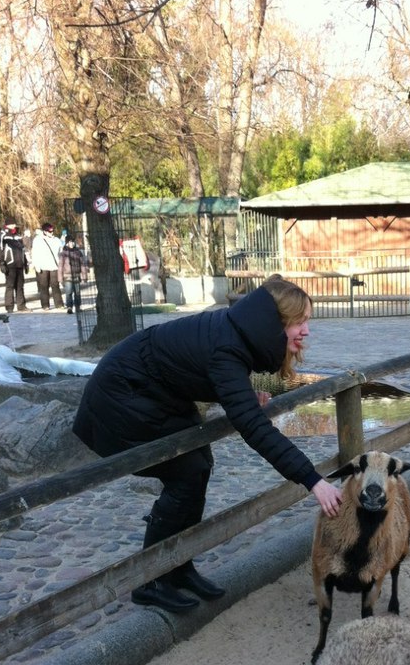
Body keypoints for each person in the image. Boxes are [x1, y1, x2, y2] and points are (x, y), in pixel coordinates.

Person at [73, 274, 343, 613]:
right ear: (277, 323)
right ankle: (150, 580)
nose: (306, 331)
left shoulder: (237, 333)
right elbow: (256, 430)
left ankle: (178, 566)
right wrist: (313, 480)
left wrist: (242, 395)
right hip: (121, 396)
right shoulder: (229, 348)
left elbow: (199, 370)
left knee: (199, 467)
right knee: (185, 473)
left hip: (154, 393)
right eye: (299, 322)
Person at [0, 222, 30, 313]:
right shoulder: (2, 235)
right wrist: (2, 263)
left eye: (15, 224)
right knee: (10, 286)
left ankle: (21, 306)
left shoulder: (18, 235)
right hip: (10, 264)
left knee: (20, 286)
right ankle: (9, 307)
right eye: (12, 224)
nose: (14, 226)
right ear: (7, 225)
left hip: (20, 264)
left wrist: (25, 263)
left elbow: (22, 250)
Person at [31, 222, 64, 311]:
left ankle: (59, 304)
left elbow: (61, 252)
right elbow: (34, 253)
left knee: (55, 285)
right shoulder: (37, 240)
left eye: (52, 231)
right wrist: (36, 265)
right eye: (49, 231)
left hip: (54, 266)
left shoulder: (57, 240)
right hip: (43, 266)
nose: (51, 233)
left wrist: (61, 264)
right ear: (44, 231)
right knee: (44, 286)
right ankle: (45, 305)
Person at [57, 233, 88, 313]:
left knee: (77, 293)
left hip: (76, 275)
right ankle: (69, 307)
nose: (72, 243)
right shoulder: (63, 253)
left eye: (73, 242)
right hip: (67, 276)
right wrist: (60, 278)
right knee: (69, 292)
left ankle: (78, 306)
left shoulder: (78, 252)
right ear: (67, 243)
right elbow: (60, 266)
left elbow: (82, 265)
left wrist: (84, 276)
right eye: (70, 242)